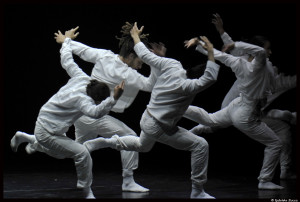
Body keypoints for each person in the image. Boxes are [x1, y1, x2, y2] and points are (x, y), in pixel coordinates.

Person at [83, 22, 220, 199]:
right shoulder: (188, 87)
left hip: (147, 118)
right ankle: (198, 191)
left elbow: (147, 56)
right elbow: (209, 78)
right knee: (200, 145)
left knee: (142, 146)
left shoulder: (173, 65)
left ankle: (104, 143)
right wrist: (210, 53)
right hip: (159, 125)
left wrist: (136, 38)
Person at [21, 23, 157, 192]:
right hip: (93, 114)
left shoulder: (105, 56)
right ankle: (128, 181)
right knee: (128, 135)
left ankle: (37, 142)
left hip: (80, 114)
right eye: (140, 60)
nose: (141, 65)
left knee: (76, 149)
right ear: (130, 56)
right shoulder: (129, 74)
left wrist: (66, 41)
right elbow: (151, 85)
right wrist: (155, 61)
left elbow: (82, 50)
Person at [183, 18, 296, 190]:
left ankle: (179, 109)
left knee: (210, 119)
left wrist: (199, 44)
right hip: (246, 114)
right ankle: (264, 180)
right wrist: (235, 44)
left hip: (237, 106)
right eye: (267, 49)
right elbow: (258, 52)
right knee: (275, 143)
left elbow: (218, 55)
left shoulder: (243, 63)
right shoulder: (257, 64)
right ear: (260, 51)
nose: (269, 52)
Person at [10, 30, 125, 199]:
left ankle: (25, 137)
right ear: (94, 98)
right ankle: (86, 191)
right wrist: (113, 99)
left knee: (60, 153)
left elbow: (67, 61)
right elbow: (95, 113)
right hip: (47, 130)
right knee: (81, 153)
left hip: (48, 123)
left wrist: (66, 41)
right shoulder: (84, 101)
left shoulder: (83, 78)